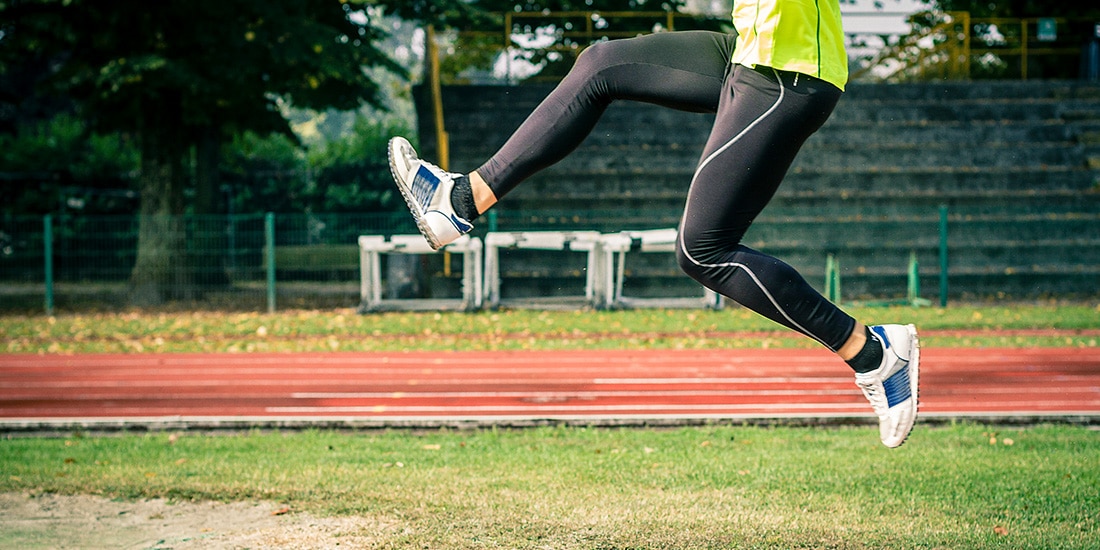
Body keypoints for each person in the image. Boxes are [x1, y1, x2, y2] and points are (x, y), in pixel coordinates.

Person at [388, 0, 920, 448]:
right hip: (752, 53)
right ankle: (457, 201)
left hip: (788, 75)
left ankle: (874, 354)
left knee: (702, 250)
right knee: (601, 64)